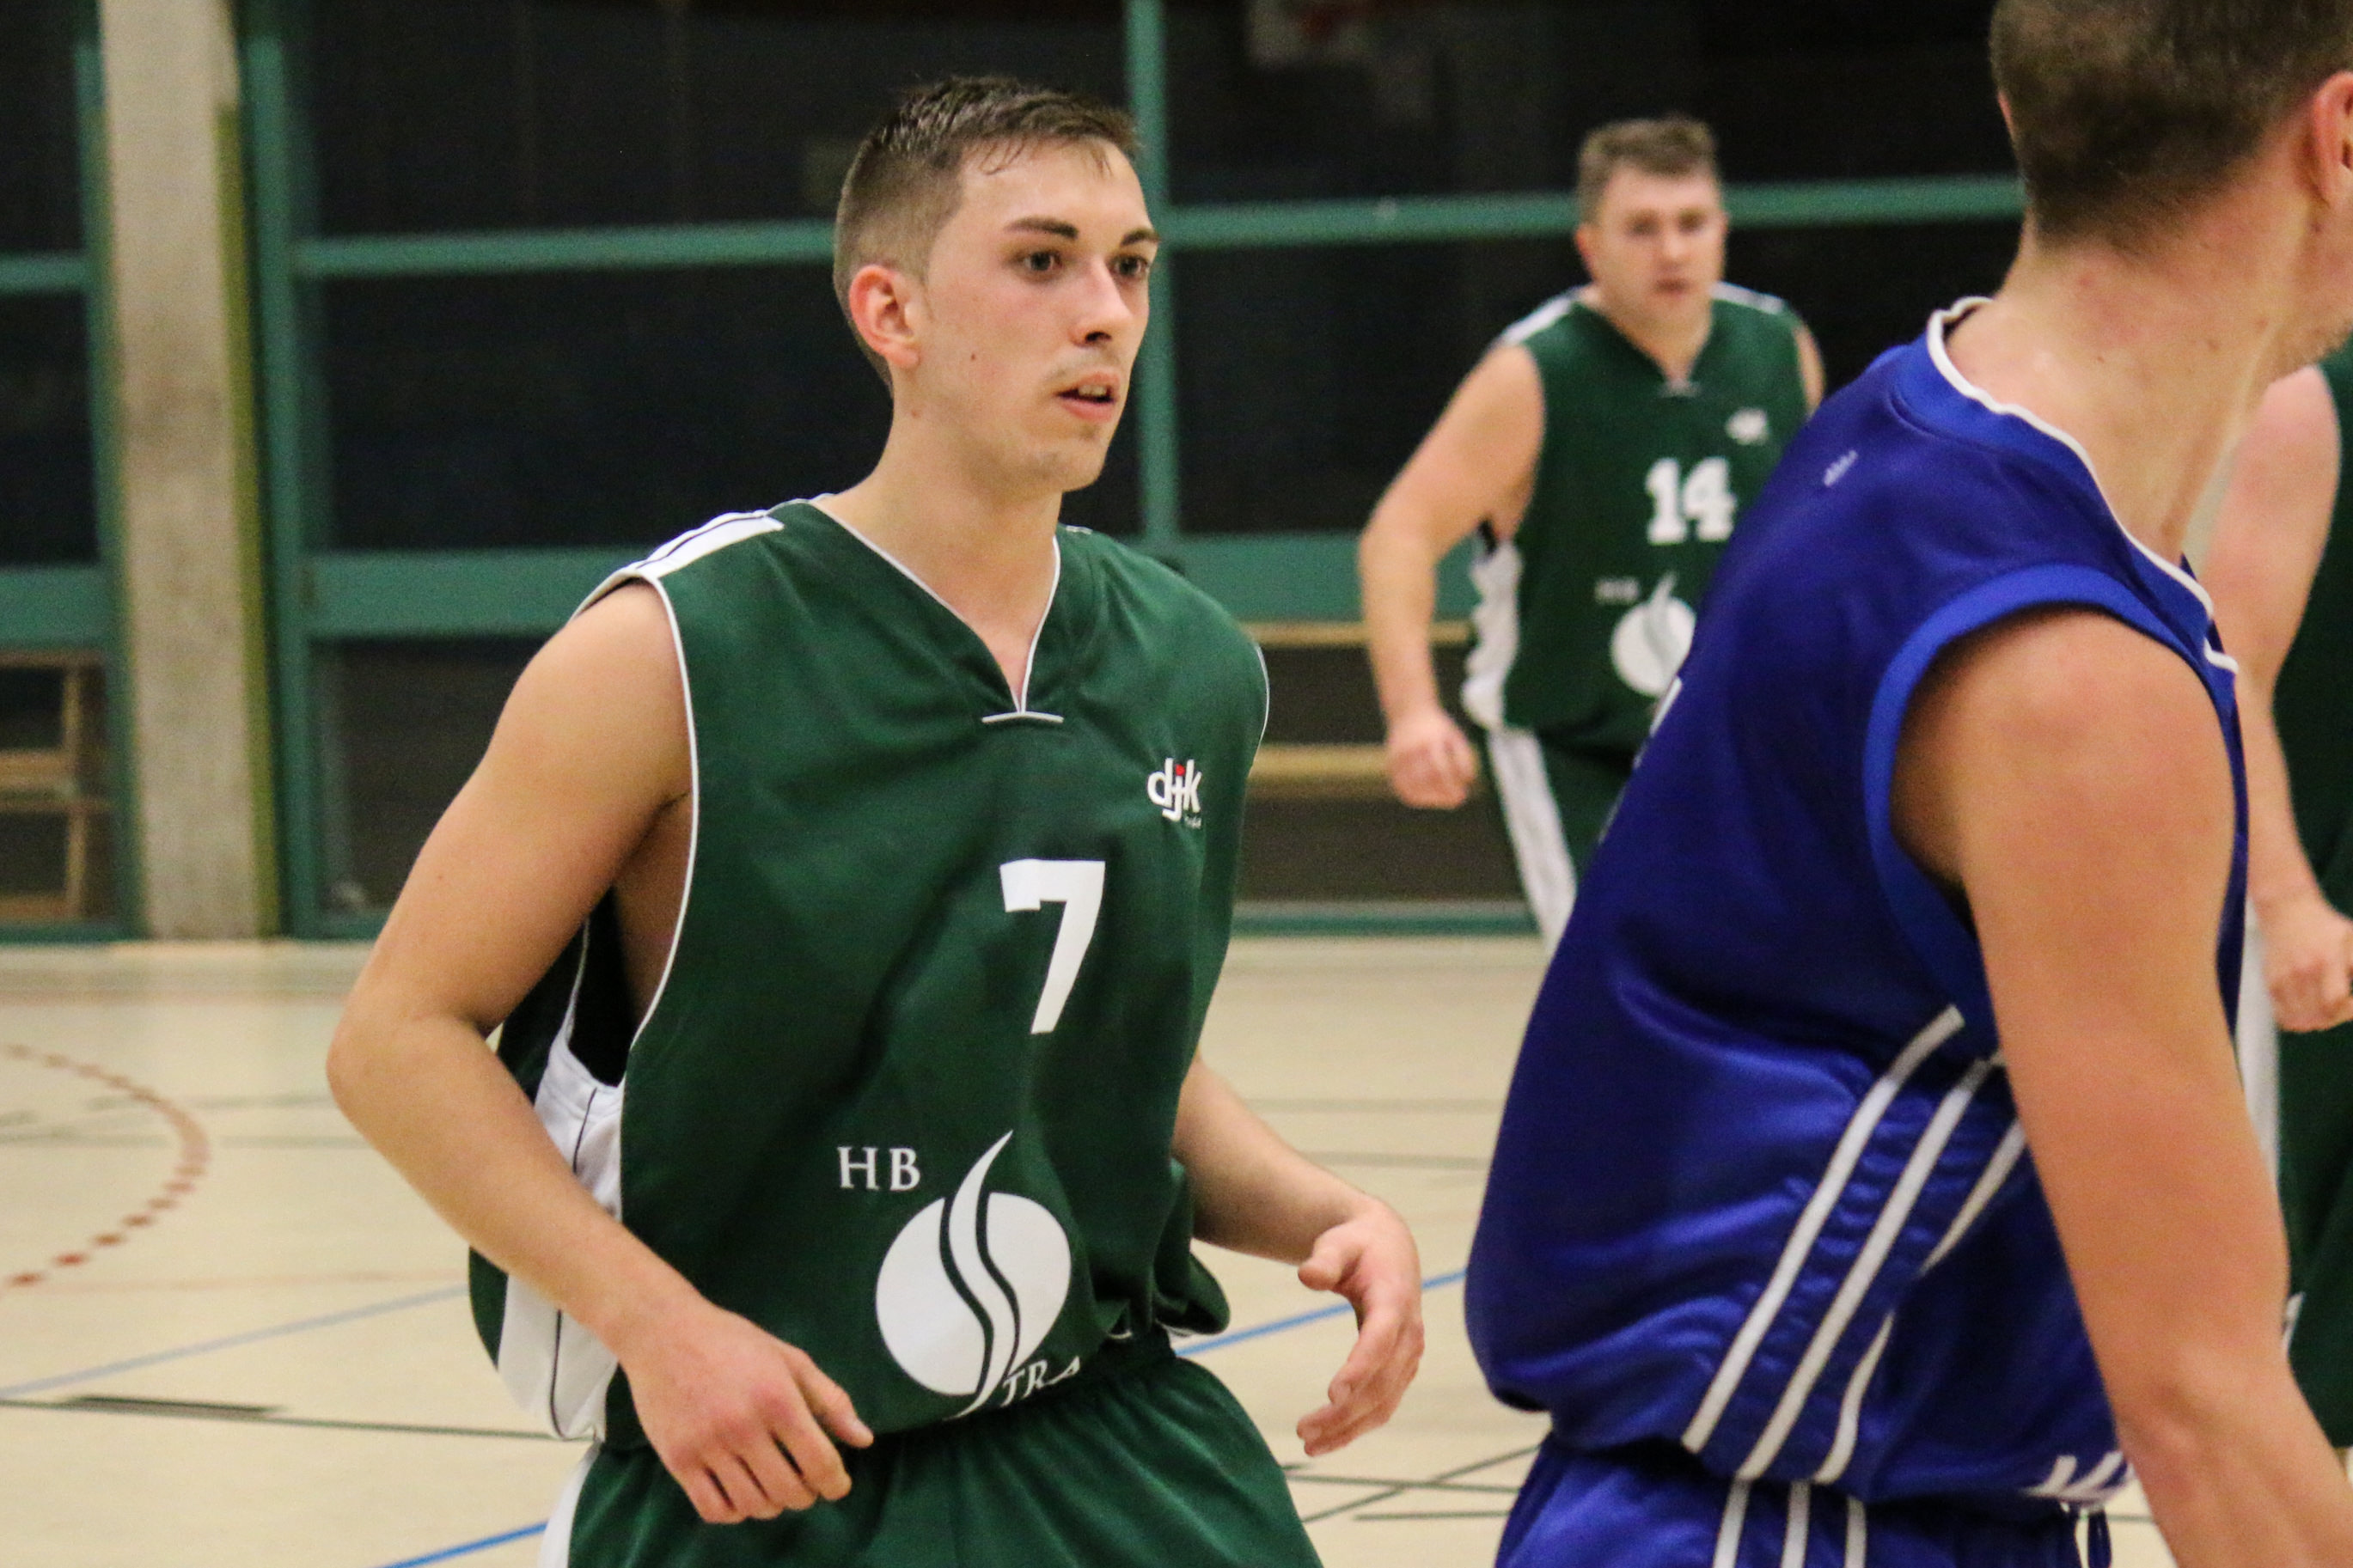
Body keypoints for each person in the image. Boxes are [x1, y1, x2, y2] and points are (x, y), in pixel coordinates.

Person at [327, 78, 1423, 1568]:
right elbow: (395, 1039)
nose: (1104, 313)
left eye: (1129, 265)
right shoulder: (670, 654)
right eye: (1040, 262)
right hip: (767, 1469)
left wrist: (1324, 1212)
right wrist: (656, 1324)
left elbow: (1099, 1052)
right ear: (889, 312)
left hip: (1115, 1435)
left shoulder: (1192, 664)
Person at [1464, 1, 2353, 1563]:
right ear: (2335, 140)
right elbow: (2202, 1407)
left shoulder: (1891, 417)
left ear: (2022, 117)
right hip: (1791, 1527)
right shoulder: (2067, 672)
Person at [1357, 114, 1823, 947]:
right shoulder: (1535, 372)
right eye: (1641, 228)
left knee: (1757, 969)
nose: (1671, 250)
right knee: (1612, 975)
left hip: (1724, 728)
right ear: (1590, 247)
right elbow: (1398, 534)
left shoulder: (1776, 346)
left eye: (1690, 223)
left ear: (1722, 231)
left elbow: (1813, 539)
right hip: (1569, 734)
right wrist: (1413, 711)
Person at [2203, 346, 2353, 1451]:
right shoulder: (2313, 405)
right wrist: (2288, 901)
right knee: (2299, 1353)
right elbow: (2231, 673)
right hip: (2331, 923)